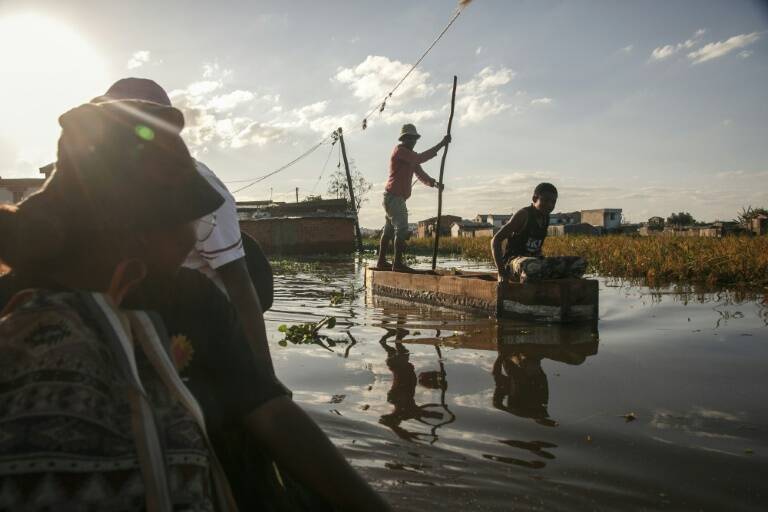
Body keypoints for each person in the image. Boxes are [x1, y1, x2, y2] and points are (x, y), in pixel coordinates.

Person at [0, 100, 390, 511]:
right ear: (133, 234)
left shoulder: (193, 297)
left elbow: (267, 408)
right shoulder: (16, 310)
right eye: (186, 219)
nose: (193, 236)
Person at [92, 77, 274, 368]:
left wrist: (266, 378)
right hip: (132, 313)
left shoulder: (199, 189)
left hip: (194, 327)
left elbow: (240, 286)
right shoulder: (99, 181)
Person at [375, 123, 450, 272]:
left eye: (414, 138)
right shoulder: (400, 151)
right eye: (410, 138)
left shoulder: (410, 157)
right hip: (394, 198)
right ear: (404, 139)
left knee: (389, 231)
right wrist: (442, 144)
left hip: (393, 198)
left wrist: (433, 183)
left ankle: (381, 262)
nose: (413, 141)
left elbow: (420, 173)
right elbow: (421, 158)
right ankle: (397, 264)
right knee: (401, 230)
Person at [491, 182, 586, 283]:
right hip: (514, 263)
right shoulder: (524, 215)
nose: (549, 205)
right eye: (545, 200)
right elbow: (495, 241)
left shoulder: (546, 217)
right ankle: (526, 283)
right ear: (534, 199)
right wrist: (501, 272)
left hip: (536, 263)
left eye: (553, 202)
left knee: (579, 262)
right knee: (532, 265)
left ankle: (553, 284)